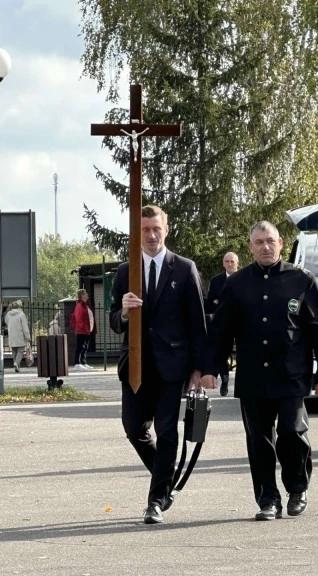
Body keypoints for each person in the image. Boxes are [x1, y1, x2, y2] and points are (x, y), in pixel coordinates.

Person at [202, 221, 318, 521]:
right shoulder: (235, 284)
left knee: (291, 432)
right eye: (258, 242)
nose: (265, 247)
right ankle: (268, 499)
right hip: (253, 377)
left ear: (281, 243)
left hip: (291, 374)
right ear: (250, 247)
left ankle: (297, 488)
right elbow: (221, 331)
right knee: (258, 440)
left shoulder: (302, 280)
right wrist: (212, 368)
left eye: (270, 241)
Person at [109, 204, 208, 524]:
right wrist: (123, 311)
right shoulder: (125, 272)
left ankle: (155, 501)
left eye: (156, 229)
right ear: (137, 234)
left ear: (166, 230)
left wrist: (199, 368)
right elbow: (112, 320)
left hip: (172, 365)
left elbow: (197, 322)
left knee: (167, 431)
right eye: (145, 230)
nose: (151, 235)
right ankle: (164, 481)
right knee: (133, 429)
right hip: (136, 366)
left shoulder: (184, 268)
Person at [205, 252, 239, 396]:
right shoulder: (216, 281)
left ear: (237, 263)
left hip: (241, 321)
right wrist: (220, 308)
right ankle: (224, 376)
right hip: (222, 322)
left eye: (232, 261)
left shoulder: (244, 278)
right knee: (221, 350)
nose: (229, 264)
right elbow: (210, 302)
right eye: (227, 261)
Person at [72, 288, 96, 370]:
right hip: (82, 330)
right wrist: (82, 327)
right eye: (85, 293)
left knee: (85, 346)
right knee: (80, 346)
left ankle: (83, 362)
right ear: (82, 295)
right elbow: (78, 318)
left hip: (87, 330)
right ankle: (77, 363)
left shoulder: (86, 305)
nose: (87, 294)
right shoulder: (79, 305)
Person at [5, 300, 31, 373]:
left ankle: (16, 366)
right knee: (20, 351)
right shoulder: (21, 314)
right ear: (19, 307)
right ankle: (16, 363)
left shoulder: (8, 314)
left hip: (12, 335)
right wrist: (28, 337)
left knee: (14, 351)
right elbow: (25, 327)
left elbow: (6, 322)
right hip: (20, 336)